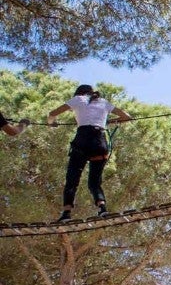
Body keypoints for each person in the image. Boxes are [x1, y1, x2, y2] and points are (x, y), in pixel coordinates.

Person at [47, 84, 132, 220]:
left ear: (78, 93)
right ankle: (102, 209)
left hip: (82, 142)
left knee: (72, 180)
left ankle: (66, 213)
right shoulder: (103, 102)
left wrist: (51, 124)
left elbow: (52, 114)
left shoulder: (78, 99)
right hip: (99, 143)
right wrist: (108, 121)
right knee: (94, 182)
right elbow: (127, 117)